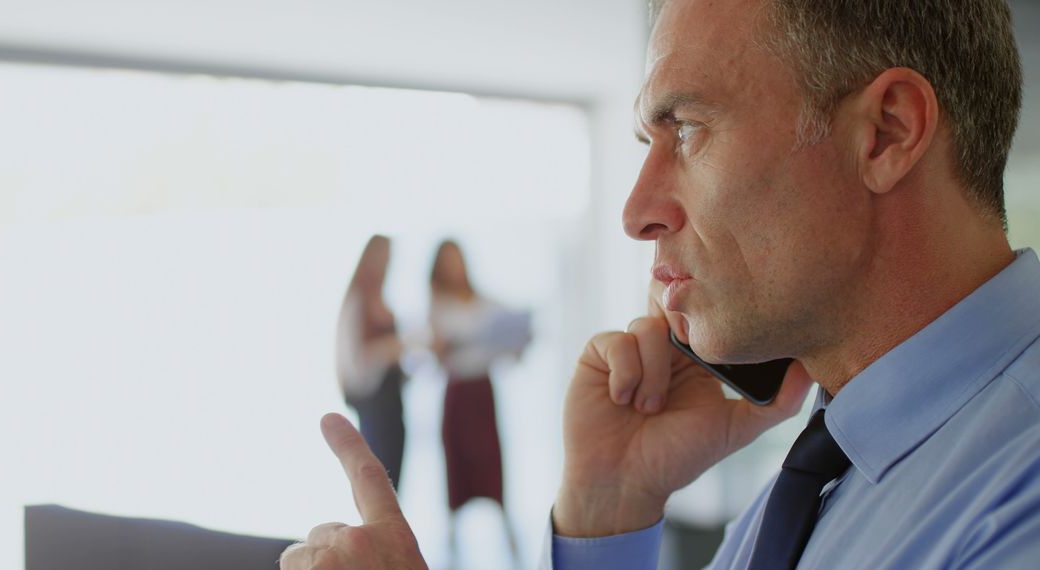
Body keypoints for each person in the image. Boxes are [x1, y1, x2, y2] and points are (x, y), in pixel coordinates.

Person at [279, 0, 1040, 568]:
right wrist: (609, 511)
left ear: (887, 133)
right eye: (648, 141)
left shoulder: (1018, 501)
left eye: (688, 129)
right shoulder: (829, 470)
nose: (637, 212)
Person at [428, 239, 527, 563]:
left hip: (481, 391)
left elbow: (512, 345)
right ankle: (453, 544)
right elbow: (432, 357)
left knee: (490, 459)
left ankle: (509, 536)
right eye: (448, 261)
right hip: (457, 390)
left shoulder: (487, 303)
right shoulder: (437, 305)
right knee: (457, 463)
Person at [334, 235, 407, 491]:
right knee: (376, 471)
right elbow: (355, 361)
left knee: (395, 473)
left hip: (392, 398)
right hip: (373, 401)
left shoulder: (383, 301)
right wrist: (388, 350)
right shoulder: (357, 302)